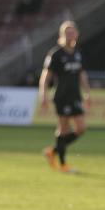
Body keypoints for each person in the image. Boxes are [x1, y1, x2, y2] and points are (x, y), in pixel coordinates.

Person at [39, 20, 91, 173]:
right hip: (62, 96)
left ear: (76, 34)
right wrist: (43, 94)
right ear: (62, 35)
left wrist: (87, 93)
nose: (69, 35)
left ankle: (53, 151)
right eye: (66, 33)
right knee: (64, 129)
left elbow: (82, 74)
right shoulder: (56, 54)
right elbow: (45, 76)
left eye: (72, 32)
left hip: (75, 95)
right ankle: (62, 164)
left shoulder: (78, 53)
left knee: (81, 128)